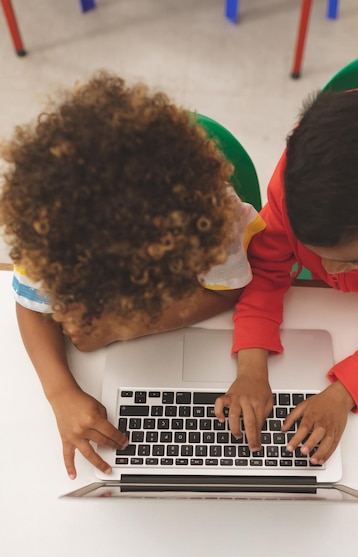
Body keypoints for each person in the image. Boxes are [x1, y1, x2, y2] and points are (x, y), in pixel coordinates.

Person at [0, 71, 265, 479]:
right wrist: (60, 393)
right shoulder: (49, 230)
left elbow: (228, 288)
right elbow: (31, 306)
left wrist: (126, 328)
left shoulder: (216, 217)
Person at [215, 87, 358, 464]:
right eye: (315, 253)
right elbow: (267, 266)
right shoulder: (303, 177)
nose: (328, 271)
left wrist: (344, 394)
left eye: (356, 260)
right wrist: (251, 366)